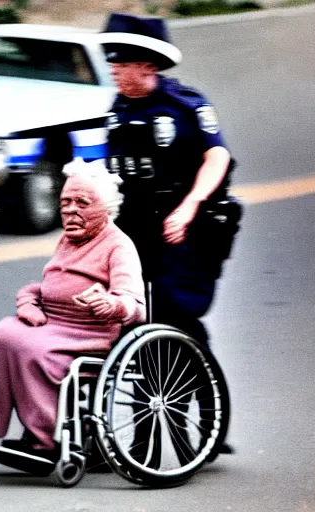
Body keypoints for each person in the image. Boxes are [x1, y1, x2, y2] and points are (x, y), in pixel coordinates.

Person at [0, 158, 146, 473]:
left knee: (34, 351)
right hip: (54, 325)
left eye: (82, 203)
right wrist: (28, 300)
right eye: (66, 202)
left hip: (89, 334)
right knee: (3, 334)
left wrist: (111, 304)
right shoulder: (68, 240)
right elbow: (46, 287)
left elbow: (134, 305)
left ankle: (44, 443)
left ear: (106, 208)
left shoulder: (118, 247)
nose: (71, 210)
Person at [98, 13, 243, 457]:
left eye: (124, 65)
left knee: (179, 318)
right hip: (136, 227)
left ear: (149, 66)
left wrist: (191, 204)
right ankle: (139, 436)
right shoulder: (118, 109)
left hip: (186, 226)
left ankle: (202, 420)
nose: (116, 72)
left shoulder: (185, 104)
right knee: (134, 321)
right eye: (114, 66)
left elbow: (216, 156)